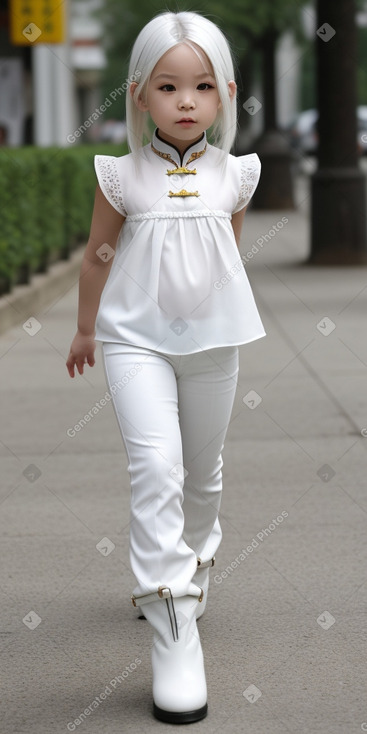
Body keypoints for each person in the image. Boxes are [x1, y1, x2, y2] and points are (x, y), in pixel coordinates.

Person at [66, 9, 265, 724]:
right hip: (132, 341)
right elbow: (97, 254)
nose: (186, 101)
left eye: (202, 86)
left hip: (212, 342)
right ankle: (171, 623)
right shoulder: (120, 175)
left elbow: (227, 253)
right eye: (168, 86)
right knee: (156, 468)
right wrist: (87, 328)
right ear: (138, 96)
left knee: (202, 471)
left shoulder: (235, 174)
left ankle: (197, 559)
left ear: (225, 95)